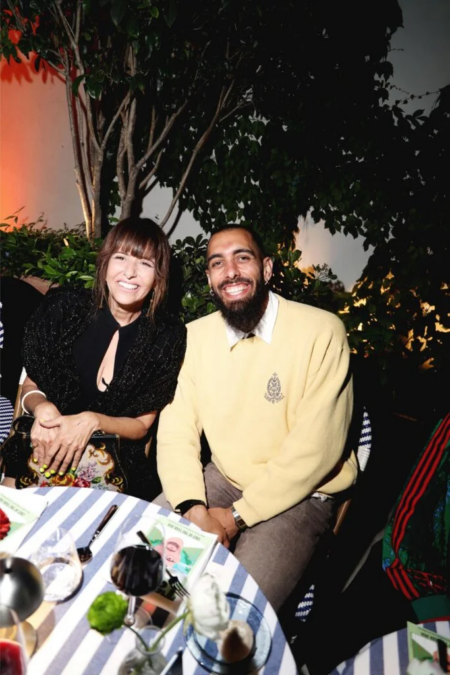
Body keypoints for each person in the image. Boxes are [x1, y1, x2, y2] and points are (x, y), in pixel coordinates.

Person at [156, 225, 357, 610]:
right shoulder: (194, 337)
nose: (230, 271)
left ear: (266, 269)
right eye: (218, 263)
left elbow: (315, 451)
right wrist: (193, 508)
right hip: (224, 478)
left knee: (231, 612)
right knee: (142, 565)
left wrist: (235, 517)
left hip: (301, 494)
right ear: (209, 279)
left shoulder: (322, 331)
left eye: (242, 258)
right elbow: (176, 431)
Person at [1, 218, 186, 500]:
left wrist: (93, 421)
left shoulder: (166, 337)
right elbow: (30, 387)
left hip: (112, 466)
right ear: (105, 263)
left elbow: (141, 426)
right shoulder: (64, 309)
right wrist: (42, 407)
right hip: (42, 449)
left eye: (145, 263)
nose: (130, 272)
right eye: (120, 257)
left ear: (159, 276)